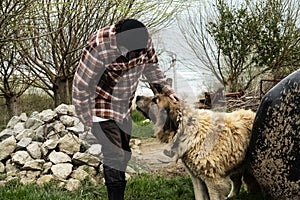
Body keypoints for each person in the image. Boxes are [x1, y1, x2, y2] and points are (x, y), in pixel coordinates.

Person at [72, 18, 180, 200]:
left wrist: (166, 91)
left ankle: (118, 190)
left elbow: (152, 69)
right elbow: (81, 85)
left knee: (124, 154)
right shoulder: (99, 45)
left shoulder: (143, 40)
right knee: (114, 155)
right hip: (101, 105)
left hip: (124, 106)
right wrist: (87, 119)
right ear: (118, 39)